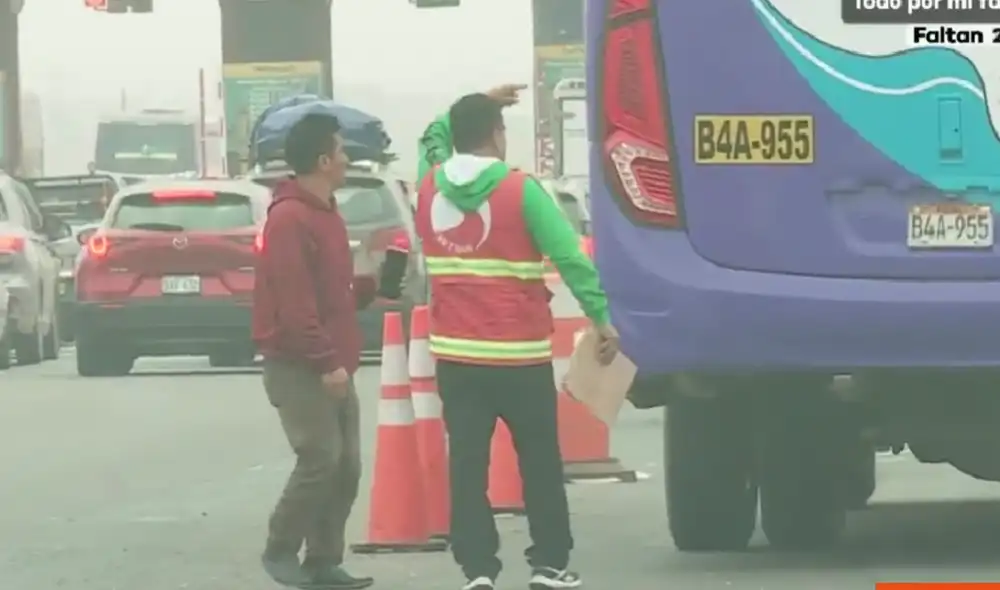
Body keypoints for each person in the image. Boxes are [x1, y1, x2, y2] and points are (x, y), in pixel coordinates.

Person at [414, 86, 620, 590]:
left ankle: (478, 570)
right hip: (519, 357)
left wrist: (473, 102)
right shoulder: (520, 190)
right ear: (497, 134)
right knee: (539, 462)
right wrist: (601, 318)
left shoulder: (429, 185)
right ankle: (548, 564)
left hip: (457, 356)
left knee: (467, 464)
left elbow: (429, 138)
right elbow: (569, 257)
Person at [252, 113, 378, 590]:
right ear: (324, 161)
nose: (347, 160)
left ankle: (323, 560)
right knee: (319, 458)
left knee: (346, 467)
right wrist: (324, 361)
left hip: (334, 359)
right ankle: (280, 549)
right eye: (342, 152)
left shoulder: (327, 213)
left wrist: (368, 287)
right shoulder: (289, 218)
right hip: (299, 363)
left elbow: (328, 292)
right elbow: (293, 301)